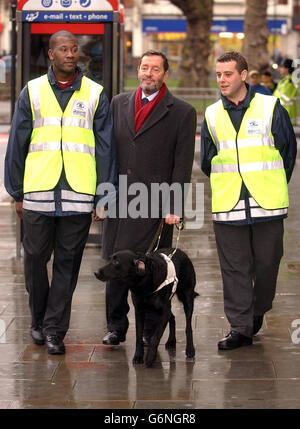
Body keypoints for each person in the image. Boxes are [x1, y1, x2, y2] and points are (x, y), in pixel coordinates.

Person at [4, 31, 116, 355]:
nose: (71, 54)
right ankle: (37, 319)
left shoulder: (95, 94)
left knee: (67, 265)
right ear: (51, 55)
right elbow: (18, 144)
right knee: (35, 259)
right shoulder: (33, 92)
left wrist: (104, 195)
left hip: (79, 194)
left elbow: (106, 149)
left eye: (74, 49)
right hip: (38, 191)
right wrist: (17, 191)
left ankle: (55, 330)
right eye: (64, 49)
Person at [201, 51, 297, 350]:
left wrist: (271, 183)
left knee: (268, 264)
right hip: (228, 203)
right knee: (234, 268)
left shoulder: (270, 107)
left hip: (267, 201)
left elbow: (288, 152)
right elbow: (207, 160)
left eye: (228, 74)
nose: (222, 80)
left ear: (243, 75)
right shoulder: (211, 114)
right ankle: (240, 327)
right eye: (218, 75)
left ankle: (257, 310)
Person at [101, 50, 196, 345]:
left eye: (155, 69)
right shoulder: (118, 103)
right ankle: (116, 326)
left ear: (165, 74)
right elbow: (107, 152)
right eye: (144, 68)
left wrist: (175, 206)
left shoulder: (182, 111)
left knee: (151, 272)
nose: (148, 74)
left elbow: (182, 164)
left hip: (154, 204)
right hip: (119, 200)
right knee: (116, 265)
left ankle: (149, 329)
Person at [274, 58, 298, 125]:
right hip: (283, 116)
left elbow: (284, 98)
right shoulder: (283, 81)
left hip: (287, 116)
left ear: (286, 69)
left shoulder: (291, 82)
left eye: (281, 67)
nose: (280, 69)